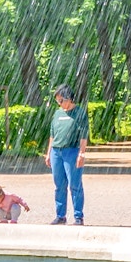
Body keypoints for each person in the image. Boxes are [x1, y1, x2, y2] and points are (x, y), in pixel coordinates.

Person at [45, 84, 88, 225]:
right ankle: (60, 216)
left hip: (72, 151)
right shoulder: (57, 113)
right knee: (59, 185)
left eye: (61, 100)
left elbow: (83, 135)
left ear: (69, 98)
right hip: (56, 152)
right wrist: (48, 153)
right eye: (57, 101)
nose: (59, 103)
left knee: (75, 184)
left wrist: (81, 153)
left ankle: (78, 216)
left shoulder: (79, 113)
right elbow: (52, 134)